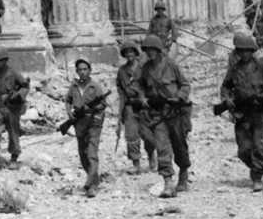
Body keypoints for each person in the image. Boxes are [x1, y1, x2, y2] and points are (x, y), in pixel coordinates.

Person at [135, 34, 192, 198]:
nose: (150, 53)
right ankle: (168, 181)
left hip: (175, 113)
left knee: (179, 145)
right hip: (158, 114)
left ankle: (183, 172)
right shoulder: (145, 69)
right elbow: (139, 85)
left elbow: (185, 84)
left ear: (159, 50)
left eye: (153, 50)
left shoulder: (171, 65)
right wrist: (142, 97)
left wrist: (179, 97)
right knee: (162, 147)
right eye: (147, 50)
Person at [220, 33, 263, 191]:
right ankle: (255, 167)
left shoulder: (262, 67)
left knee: (259, 147)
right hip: (242, 114)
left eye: (247, 51)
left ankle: (257, 176)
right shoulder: (234, 69)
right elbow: (225, 86)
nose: (244, 54)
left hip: (259, 113)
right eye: (241, 51)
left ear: (252, 51)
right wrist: (227, 99)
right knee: (243, 150)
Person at [64, 57, 108, 197]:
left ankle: (90, 184)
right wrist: (69, 113)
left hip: (93, 123)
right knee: (83, 153)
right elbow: (68, 100)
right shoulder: (74, 86)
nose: (83, 72)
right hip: (79, 123)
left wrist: (92, 110)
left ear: (90, 70)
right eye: (80, 70)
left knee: (91, 153)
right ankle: (93, 179)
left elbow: (103, 104)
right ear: (77, 71)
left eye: (85, 69)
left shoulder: (95, 86)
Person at [0, 48, 29, 169]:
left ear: (5, 60)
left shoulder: (13, 73)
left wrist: (18, 96)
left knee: (13, 133)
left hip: (11, 108)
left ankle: (14, 157)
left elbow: (25, 86)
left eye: (0, 61)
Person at [115, 38, 157, 173]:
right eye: (126, 53)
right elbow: (121, 92)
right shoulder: (121, 71)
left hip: (144, 105)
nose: (129, 55)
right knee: (131, 135)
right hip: (129, 106)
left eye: (131, 52)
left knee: (148, 134)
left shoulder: (144, 68)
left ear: (135, 53)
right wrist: (120, 113)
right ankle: (136, 164)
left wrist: (148, 100)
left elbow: (151, 86)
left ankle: (151, 157)